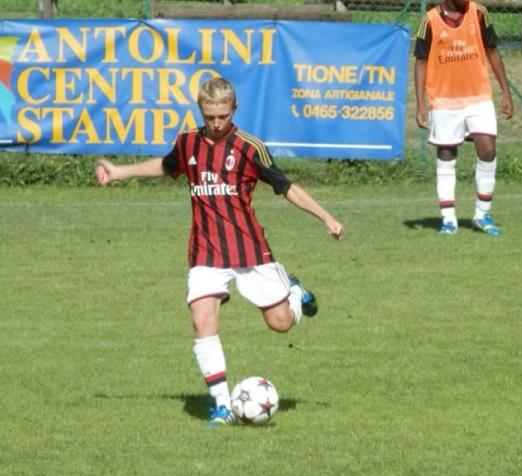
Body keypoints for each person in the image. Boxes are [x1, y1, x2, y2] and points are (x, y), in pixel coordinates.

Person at [96, 77, 344, 427]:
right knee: (202, 319)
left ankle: (295, 293)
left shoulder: (249, 148)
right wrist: (119, 172)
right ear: (201, 109)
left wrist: (326, 217)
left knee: (280, 324)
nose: (216, 123)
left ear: (234, 109)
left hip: (249, 250)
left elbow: (286, 187)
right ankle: (223, 406)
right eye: (209, 116)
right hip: (205, 252)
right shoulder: (188, 143)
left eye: (223, 116)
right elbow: (165, 166)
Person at [414, 0, 513, 236]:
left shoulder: (479, 13)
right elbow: (421, 62)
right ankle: (449, 220)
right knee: (446, 154)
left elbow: (492, 51)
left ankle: (482, 214)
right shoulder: (430, 20)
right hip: (444, 100)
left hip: (478, 96)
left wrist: (506, 92)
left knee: (487, 148)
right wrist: (420, 104)